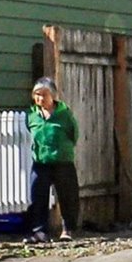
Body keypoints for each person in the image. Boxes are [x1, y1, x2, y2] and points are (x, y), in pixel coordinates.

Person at [26, 78, 80, 244]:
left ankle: (67, 229)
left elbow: (74, 134)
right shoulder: (32, 115)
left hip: (63, 161)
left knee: (67, 196)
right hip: (41, 162)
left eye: (44, 95)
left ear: (53, 96)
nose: (40, 99)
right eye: (37, 95)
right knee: (38, 196)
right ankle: (40, 232)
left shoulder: (64, 114)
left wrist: (62, 149)